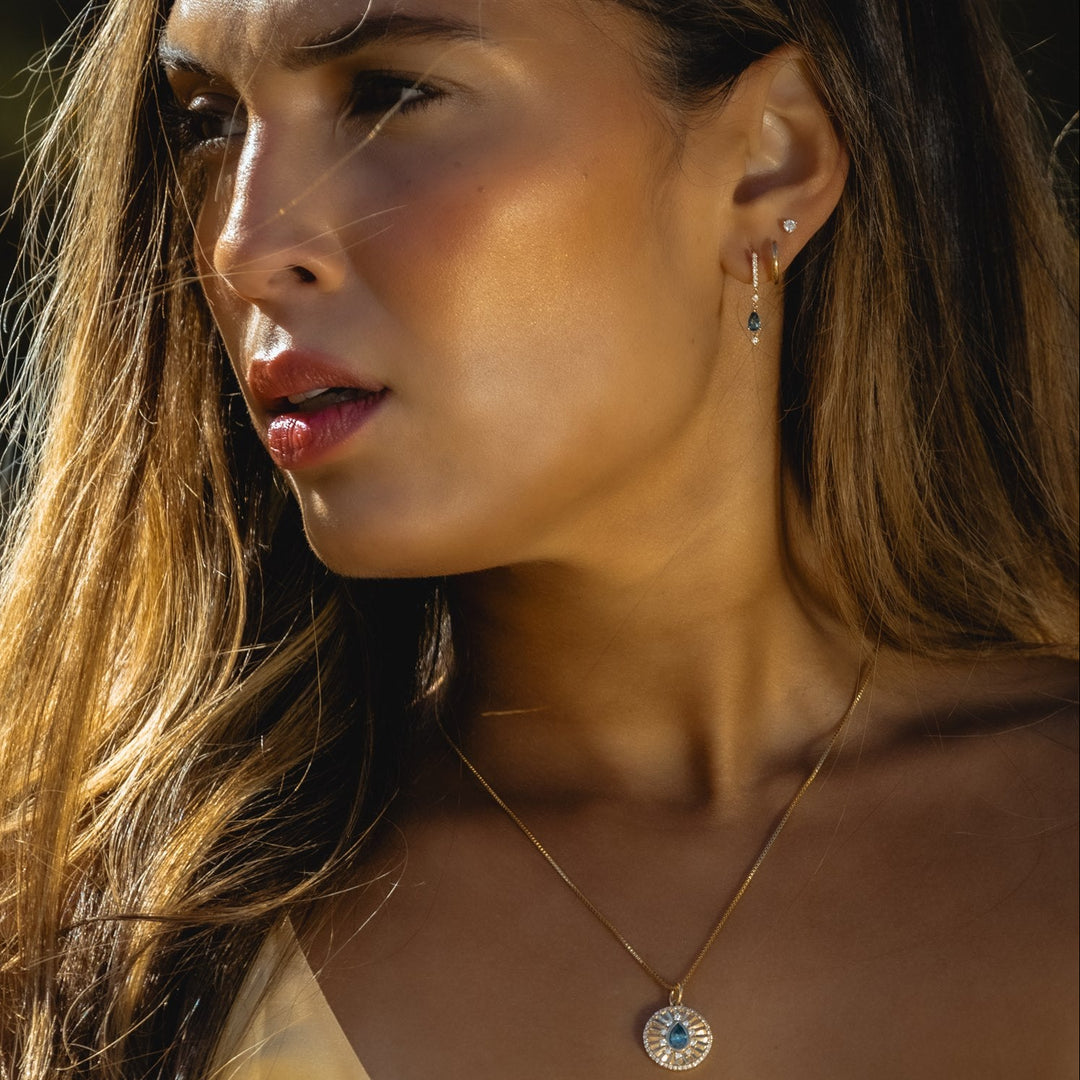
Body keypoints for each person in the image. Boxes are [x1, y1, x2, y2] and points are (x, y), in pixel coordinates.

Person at [0, 0, 1076, 1076]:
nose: (241, 248)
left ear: (768, 163)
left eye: (390, 95)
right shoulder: (77, 934)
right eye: (208, 121)